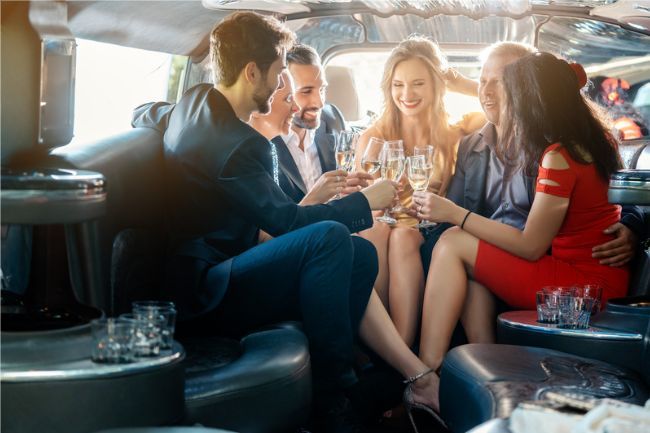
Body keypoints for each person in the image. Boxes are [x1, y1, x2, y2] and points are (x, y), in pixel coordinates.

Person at [153, 11, 439, 433]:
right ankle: (331, 398)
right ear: (252, 72)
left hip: (222, 266)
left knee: (358, 251)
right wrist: (366, 200)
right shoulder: (238, 144)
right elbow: (287, 222)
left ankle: (368, 376)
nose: (280, 85)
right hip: (204, 292)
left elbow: (151, 113)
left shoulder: (193, 104)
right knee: (328, 239)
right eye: (277, 74)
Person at [408, 52, 630, 413]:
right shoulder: (598, 139)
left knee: (451, 243)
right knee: (472, 263)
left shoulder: (557, 156)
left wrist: (455, 214)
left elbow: (530, 245)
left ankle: (424, 376)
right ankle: (490, 374)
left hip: (581, 291)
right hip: (602, 278)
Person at [354, 36, 484, 345]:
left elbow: (505, 105)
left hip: (434, 225)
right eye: (398, 85)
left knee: (403, 236)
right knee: (377, 230)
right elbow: (362, 203)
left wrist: (461, 83)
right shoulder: (374, 137)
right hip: (384, 223)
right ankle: (390, 347)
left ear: (437, 85)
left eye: (418, 84)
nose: (406, 94)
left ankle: (399, 348)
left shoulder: (457, 131)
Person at [274, 43, 372, 205]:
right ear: (281, 91)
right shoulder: (263, 141)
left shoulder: (332, 119)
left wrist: (344, 192)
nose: (319, 103)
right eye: (306, 91)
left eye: (322, 90)